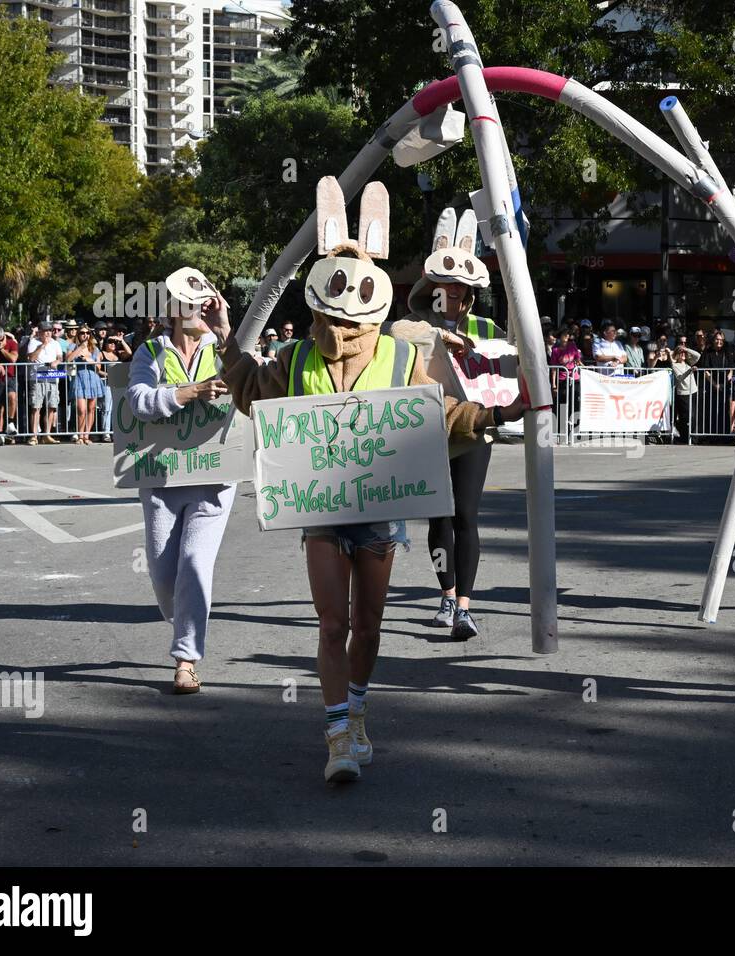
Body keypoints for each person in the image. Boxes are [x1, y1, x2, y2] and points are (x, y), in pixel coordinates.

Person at [215, 181, 526, 783]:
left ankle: (356, 711)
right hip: (322, 512)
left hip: (380, 512)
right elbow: (253, 396)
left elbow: (438, 414)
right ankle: (336, 734)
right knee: (332, 623)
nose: (346, 293)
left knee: (368, 626)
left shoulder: (401, 355)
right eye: (336, 279)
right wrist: (231, 340)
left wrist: (501, 413)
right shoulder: (295, 358)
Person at [397, 204, 518, 641]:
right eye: (444, 286)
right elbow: (395, 334)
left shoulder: (485, 325)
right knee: (438, 519)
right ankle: (446, 594)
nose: (451, 294)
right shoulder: (416, 322)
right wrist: (442, 336)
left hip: (473, 429)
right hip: (427, 432)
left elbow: (510, 354)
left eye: (459, 288)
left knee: (466, 514)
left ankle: (464, 606)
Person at [126, 267, 238, 697]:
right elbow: (138, 401)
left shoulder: (224, 348)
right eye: (186, 301)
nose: (196, 308)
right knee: (162, 574)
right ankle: (185, 620)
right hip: (161, 478)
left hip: (215, 477)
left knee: (194, 564)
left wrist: (227, 333)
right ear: (171, 308)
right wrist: (190, 391)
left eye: (203, 300)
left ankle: (186, 660)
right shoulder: (151, 352)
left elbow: (254, 381)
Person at [27, 321, 63, 445]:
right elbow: (31, 358)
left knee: (52, 407)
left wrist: (56, 362)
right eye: (45, 331)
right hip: (37, 377)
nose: (48, 333)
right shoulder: (34, 342)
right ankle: (34, 436)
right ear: (40, 332)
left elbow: (60, 357)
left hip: (52, 377)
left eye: (49, 331)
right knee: (36, 407)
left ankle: (47, 434)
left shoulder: (56, 343)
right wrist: (42, 346)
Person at [66, 328, 105, 443]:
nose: (85, 335)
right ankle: (80, 435)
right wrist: (80, 348)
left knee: (91, 408)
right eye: (82, 333)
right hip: (79, 378)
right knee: (81, 409)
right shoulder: (73, 347)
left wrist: (89, 360)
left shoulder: (95, 349)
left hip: (93, 378)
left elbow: (99, 368)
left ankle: (86, 436)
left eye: (87, 333)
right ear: (78, 335)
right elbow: (68, 360)